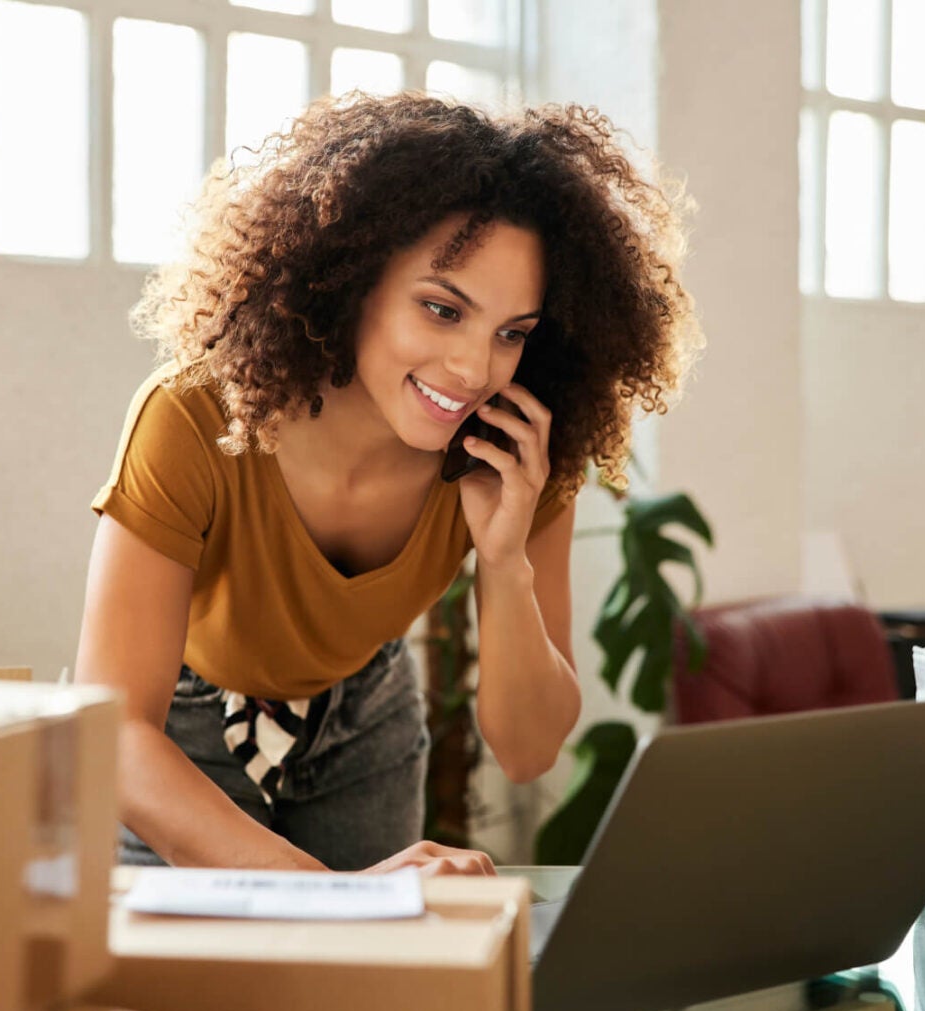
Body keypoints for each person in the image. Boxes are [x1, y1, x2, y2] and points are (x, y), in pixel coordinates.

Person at [74, 91, 701, 876]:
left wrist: (505, 561)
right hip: (179, 733)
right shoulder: (195, 417)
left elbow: (529, 750)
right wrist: (335, 896)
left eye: (512, 333)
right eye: (442, 310)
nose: (474, 369)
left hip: (365, 715)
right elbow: (117, 731)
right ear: (350, 278)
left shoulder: (518, 451)